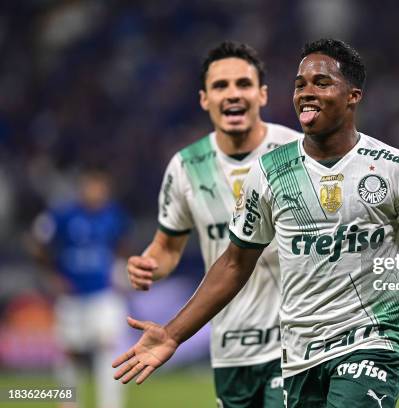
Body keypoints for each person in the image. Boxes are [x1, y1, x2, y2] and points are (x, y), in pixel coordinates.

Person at [113, 39, 399, 407]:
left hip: (372, 341)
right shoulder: (269, 172)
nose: (306, 90)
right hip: (299, 354)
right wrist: (171, 334)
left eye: (322, 82)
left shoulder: (394, 168)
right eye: (300, 83)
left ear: (353, 96)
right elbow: (234, 264)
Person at [124, 41, 300, 407]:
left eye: (243, 84)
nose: (232, 94)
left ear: (262, 94)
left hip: (295, 341)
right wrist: (150, 264)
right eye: (221, 86)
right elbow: (168, 247)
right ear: (204, 99)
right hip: (230, 346)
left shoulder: (297, 154)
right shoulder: (186, 165)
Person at [32, 167, 130, 408]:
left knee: (109, 349)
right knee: (69, 352)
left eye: (100, 187)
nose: (96, 192)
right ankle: (69, 403)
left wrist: (121, 271)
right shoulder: (62, 215)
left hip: (103, 294)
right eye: (91, 186)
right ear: (82, 187)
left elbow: (124, 245)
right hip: (72, 296)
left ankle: (110, 404)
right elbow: (37, 242)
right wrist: (52, 275)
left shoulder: (114, 216)